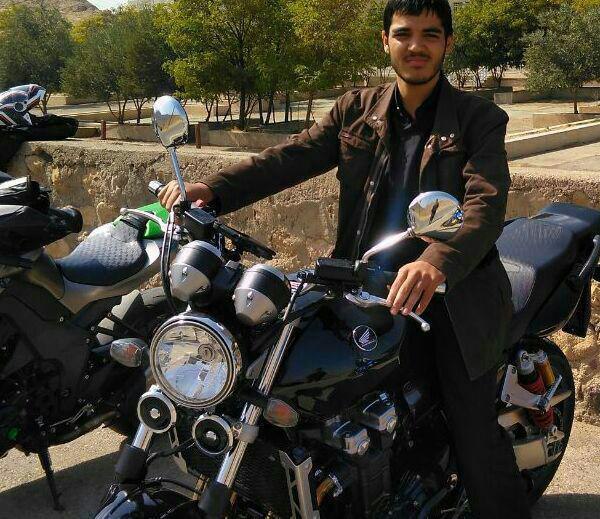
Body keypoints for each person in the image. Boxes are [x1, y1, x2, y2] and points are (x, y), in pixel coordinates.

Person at [159, 1, 530, 517]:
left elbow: (485, 203)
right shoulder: (356, 109)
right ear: (385, 40)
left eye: (430, 34)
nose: (416, 46)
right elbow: (289, 157)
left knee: (471, 428)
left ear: (447, 42)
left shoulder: (478, 119)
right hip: (362, 281)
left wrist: (437, 260)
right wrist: (214, 190)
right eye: (404, 33)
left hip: (452, 294)